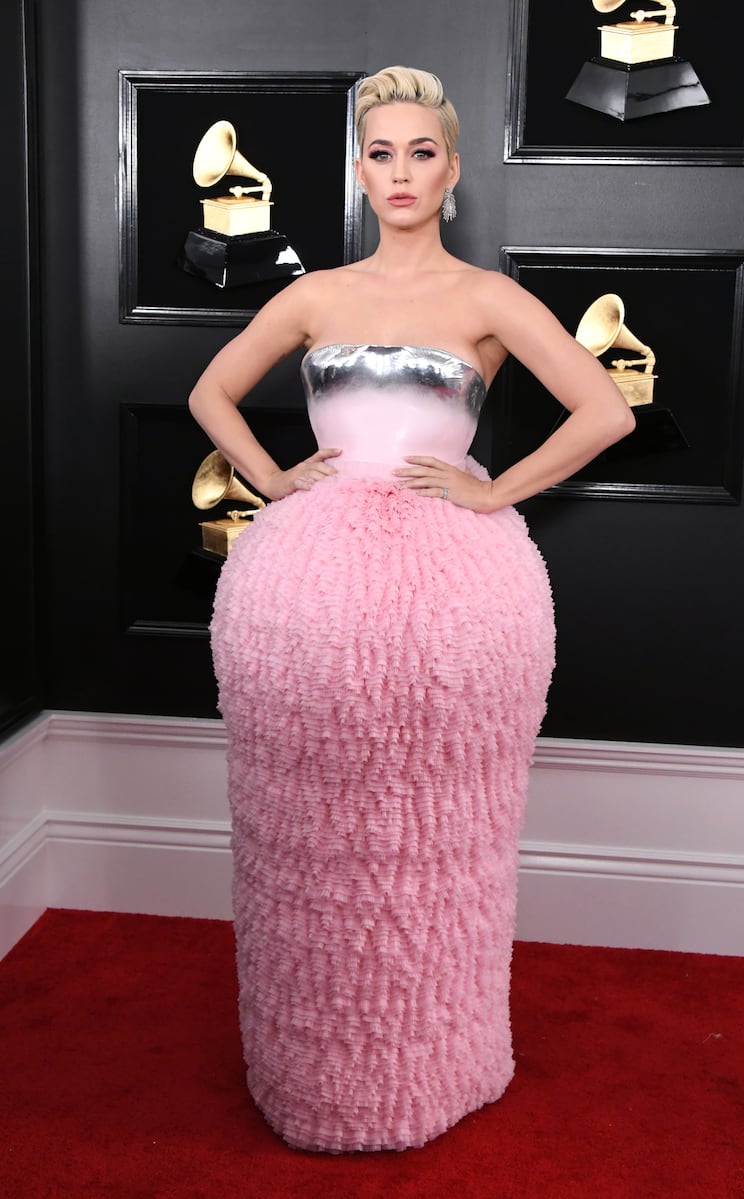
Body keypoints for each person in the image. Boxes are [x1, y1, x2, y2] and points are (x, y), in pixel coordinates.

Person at [188, 65, 634, 1154]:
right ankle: (310, 1063)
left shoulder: (485, 297)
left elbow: (603, 406)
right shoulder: (313, 293)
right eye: (379, 152)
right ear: (357, 167)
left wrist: (494, 487)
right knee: (303, 824)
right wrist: (274, 477)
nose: (399, 172)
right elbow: (211, 393)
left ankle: (434, 1058)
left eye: (419, 152)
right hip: (307, 584)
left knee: (440, 832)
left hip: (451, 593)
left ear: (451, 167)